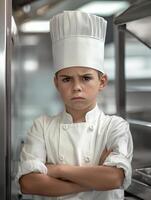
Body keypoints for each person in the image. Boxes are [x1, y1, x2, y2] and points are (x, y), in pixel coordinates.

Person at [16, 11, 133, 200]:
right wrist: (94, 180)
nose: (76, 87)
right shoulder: (42, 126)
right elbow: (28, 183)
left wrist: (58, 169)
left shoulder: (115, 127)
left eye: (86, 78)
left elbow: (114, 178)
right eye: (67, 79)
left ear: (102, 82)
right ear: (56, 83)